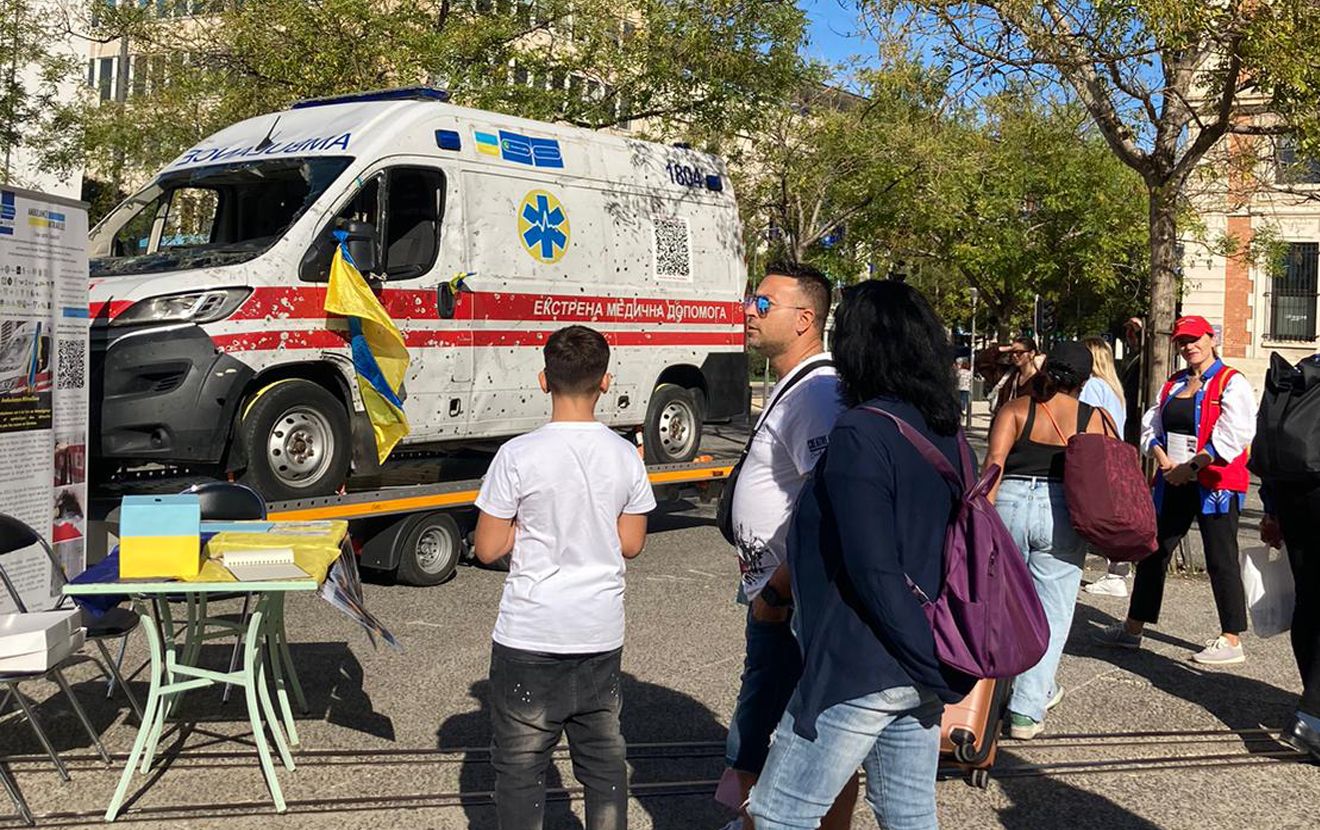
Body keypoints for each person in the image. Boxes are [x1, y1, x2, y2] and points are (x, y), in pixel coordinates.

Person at [746, 280, 975, 830]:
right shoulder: (946, 432)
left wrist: (919, 654)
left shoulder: (860, 433)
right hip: (925, 654)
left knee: (778, 814)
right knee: (908, 814)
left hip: (862, 660)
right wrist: (933, 662)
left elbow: (871, 566)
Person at [473, 325, 657, 830]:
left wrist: (529, 531)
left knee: (520, 765)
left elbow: (488, 547)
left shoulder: (517, 454)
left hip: (530, 632)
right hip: (598, 631)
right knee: (603, 759)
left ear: (543, 380)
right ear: (605, 382)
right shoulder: (625, 455)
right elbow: (631, 543)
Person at [720, 262, 852, 830]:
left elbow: (832, 501)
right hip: (776, 590)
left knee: (808, 730)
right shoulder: (797, 383)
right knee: (780, 722)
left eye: (763, 304)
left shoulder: (817, 393)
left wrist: (779, 587)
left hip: (792, 598)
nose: (749, 312)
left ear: (804, 319)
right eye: (751, 301)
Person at [1095, 315, 1257, 665]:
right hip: (1173, 480)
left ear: (1211, 339)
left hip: (1215, 484)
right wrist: (1162, 458)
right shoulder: (1172, 383)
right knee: (1153, 552)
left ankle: (1231, 638)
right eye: (1182, 342)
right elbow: (1151, 425)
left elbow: (1235, 433)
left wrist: (1192, 467)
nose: (1189, 347)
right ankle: (1133, 628)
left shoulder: (1232, 382)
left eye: (1195, 339)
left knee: (1220, 557)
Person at [985, 342, 1105, 739]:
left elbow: (993, 466)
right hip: (1062, 512)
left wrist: (981, 520)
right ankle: (1025, 710)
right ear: (1084, 381)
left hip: (1011, 503)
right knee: (1052, 612)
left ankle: (988, 699)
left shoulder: (1016, 409)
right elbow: (1104, 474)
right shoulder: (1093, 418)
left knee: (1003, 605)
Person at [1257, 354, 1320, 762]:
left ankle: (1310, 699)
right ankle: (1312, 718)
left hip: (1295, 496)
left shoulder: (1304, 371)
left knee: (1309, 601)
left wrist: (1272, 508)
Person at [1079, 336, 1132, 598]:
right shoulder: (1113, 388)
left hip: (1097, 456)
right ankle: (1119, 568)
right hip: (1115, 454)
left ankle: (1115, 574)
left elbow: (1082, 421)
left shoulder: (1091, 386)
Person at [992, 336, 1040, 414]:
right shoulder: (1008, 375)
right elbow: (982, 361)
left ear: (1032, 353)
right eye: (1012, 352)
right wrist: (1007, 348)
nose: (1014, 355)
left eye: (1019, 352)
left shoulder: (1042, 380)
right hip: (1008, 419)